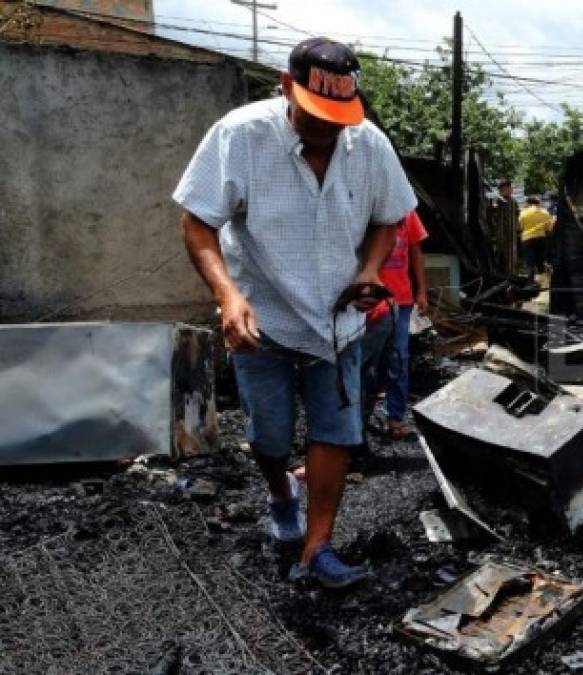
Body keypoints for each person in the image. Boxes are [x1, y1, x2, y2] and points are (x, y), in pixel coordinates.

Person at [175, 37, 416, 588]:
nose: (328, 129)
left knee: (336, 432)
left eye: (339, 119)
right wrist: (228, 296)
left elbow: (389, 219)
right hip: (265, 323)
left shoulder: (370, 145)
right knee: (271, 439)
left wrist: (371, 270)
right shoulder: (240, 135)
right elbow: (197, 222)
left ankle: (317, 546)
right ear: (286, 88)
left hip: (338, 324)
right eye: (316, 116)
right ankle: (282, 498)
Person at [361, 210, 428, 439]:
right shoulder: (366, 210)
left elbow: (416, 251)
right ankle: (358, 422)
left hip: (401, 299)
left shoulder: (408, 213)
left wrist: (421, 292)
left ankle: (395, 418)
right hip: (371, 301)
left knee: (399, 358)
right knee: (368, 363)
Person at [519, 195, 553, 280]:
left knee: (530, 261)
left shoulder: (523, 213)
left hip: (527, 238)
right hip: (541, 238)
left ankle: (531, 280)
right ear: (538, 203)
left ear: (528, 203)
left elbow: (520, 227)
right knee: (540, 261)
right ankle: (543, 280)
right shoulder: (545, 213)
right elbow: (549, 228)